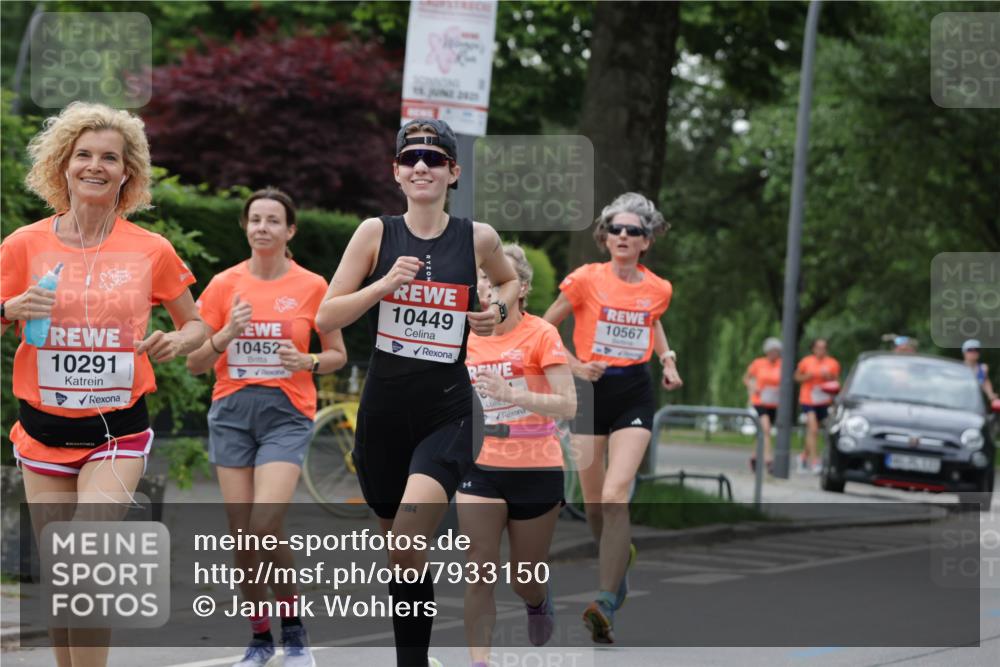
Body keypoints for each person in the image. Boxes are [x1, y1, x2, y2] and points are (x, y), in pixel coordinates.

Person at [0, 102, 205, 667]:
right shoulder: (23, 245)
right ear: (62, 166)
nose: (95, 166)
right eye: (83, 155)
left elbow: (198, 324)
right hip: (42, 434)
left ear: (127, 173)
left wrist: (176, 342)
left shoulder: (149, 248)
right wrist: (8, 306)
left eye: (109, 158)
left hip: (116, 433)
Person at [314, 118, 519, 667]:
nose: (421, 167)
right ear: (397, 173)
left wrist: (494, 310)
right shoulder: (375, 234)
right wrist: (383, 285)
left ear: (453, 171)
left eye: (434, 158)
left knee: (407, 539)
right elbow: (326, 314)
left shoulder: (478, 237)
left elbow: (510, 281)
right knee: (401, 556)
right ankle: (418, 656)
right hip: (382, 416)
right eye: (411, 159)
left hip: (447, 412)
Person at [186, 188, 346, 667]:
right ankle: (260, 638)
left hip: (286, 414)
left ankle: (294, 630)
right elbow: (195, 363)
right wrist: (225, 334)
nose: (263, 228)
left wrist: (309, 359)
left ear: (289, 230)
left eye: (273, 220)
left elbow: (337, 353)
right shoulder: (222, 285)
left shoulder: (314, 285)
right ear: (245, 227)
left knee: (264, 523)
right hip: (232, 412)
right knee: (242, 534)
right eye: (255, 219)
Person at [543, 192, 682, 644]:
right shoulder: (585, 279)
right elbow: (545, 329)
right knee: (596, 504)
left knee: (616, 492)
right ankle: (619, 566)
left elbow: (651, 319)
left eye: (634, 231)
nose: (624, 236)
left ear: (646, 241)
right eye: (616, 229)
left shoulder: (658, 288)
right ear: (605, 238)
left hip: (633, 393)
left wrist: (667, 360)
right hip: (588, 391)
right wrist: (574, 365)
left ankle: (604, 600)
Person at [459, 245, 576, 667]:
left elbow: (568, 404)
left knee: (523, 578)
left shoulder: (541, 333)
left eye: (497, 281)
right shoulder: (462, 337)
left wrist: (514, 394)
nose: (488, 289)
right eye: (483, 281)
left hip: (535, 466)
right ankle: (480, 661)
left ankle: (537, 600)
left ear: (520, 289)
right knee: (478, 572)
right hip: (479, 465)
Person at [794, 338, 841, 473]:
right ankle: (815, 462)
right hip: (808, 399)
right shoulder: (806, 361)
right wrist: (806, 377)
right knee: (813, 429)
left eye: (823, 348)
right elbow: (796, 377)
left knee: (813, 432)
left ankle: (803, 457)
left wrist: (829, 377)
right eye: (818, 348)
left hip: (823, 400)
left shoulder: (832, 363)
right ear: (813, 349)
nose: (821, 350)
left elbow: (837, 382)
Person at [744, 337, 783, 472]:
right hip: (760, 400)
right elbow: (747, 378)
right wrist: (753, 387)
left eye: (776, 352)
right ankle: (769, 460)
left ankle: (754, 458)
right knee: (766, 429)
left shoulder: (782, 364)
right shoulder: (758, 363)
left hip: (774, 402)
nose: (774, 354)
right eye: (772, 351)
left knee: (762, 432)